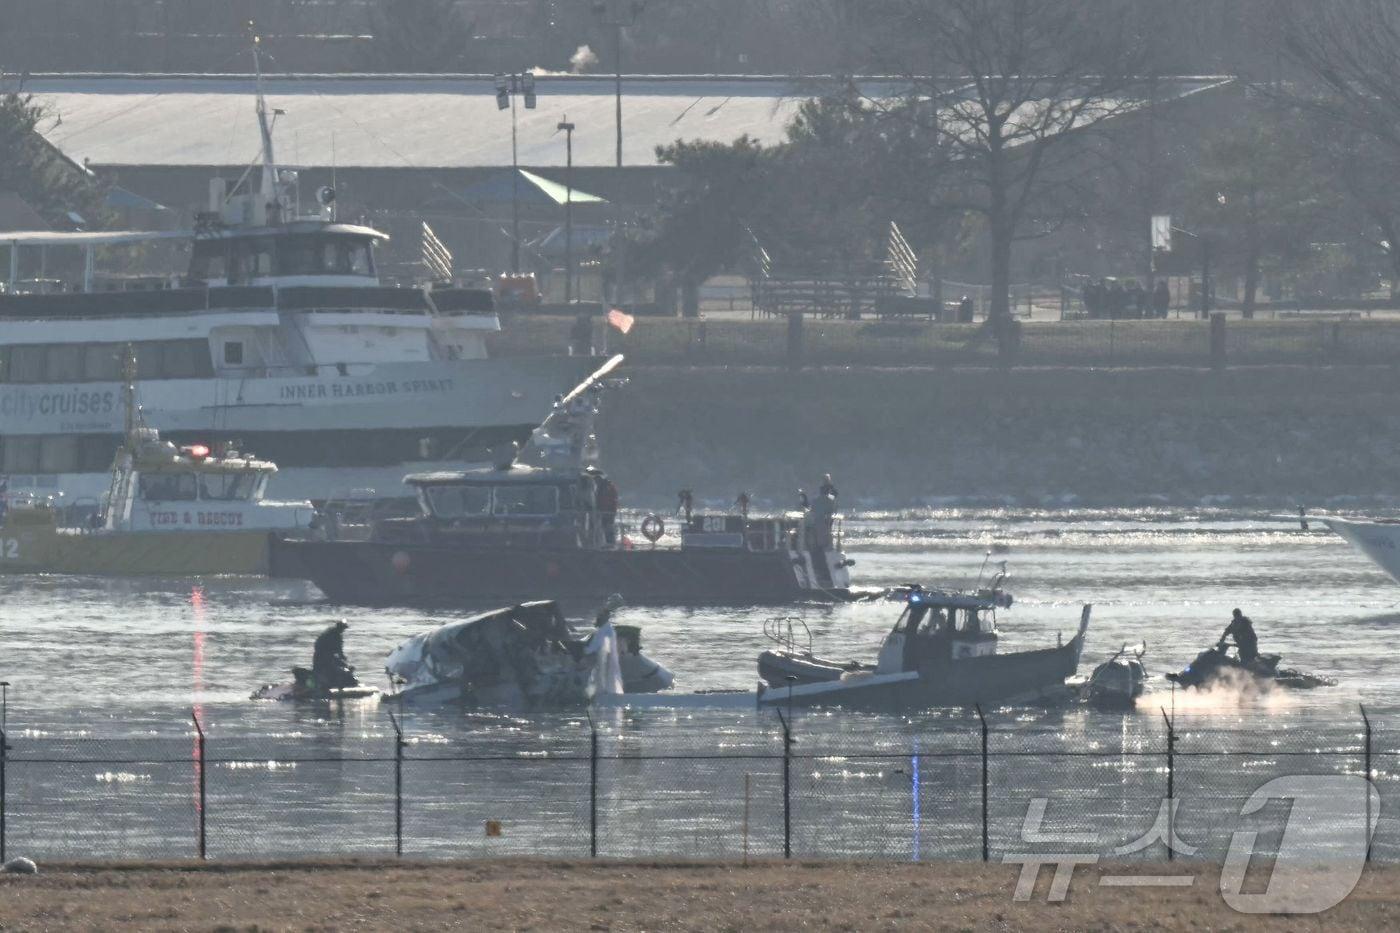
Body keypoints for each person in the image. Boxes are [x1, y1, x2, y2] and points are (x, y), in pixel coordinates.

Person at [312, 620, 358, 691]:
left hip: (319, 656)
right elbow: (339, 651)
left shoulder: (328, 632)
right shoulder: (335, 636)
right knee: (336, 669)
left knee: (326, 668)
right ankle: (338, 684)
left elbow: (337, 651)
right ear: (341, 628)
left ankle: (325, 682)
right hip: (325, 657)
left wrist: (340, 658)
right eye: (343, 629)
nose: (343, 630)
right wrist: (342, 659)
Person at [596, 474, 619, 546]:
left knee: (608, 528)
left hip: (608, 512)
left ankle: (610, 543)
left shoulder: (607, 487)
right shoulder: (603, 487)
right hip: (605, 511)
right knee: (605, 527)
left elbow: (609, 500)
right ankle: (607, 542)